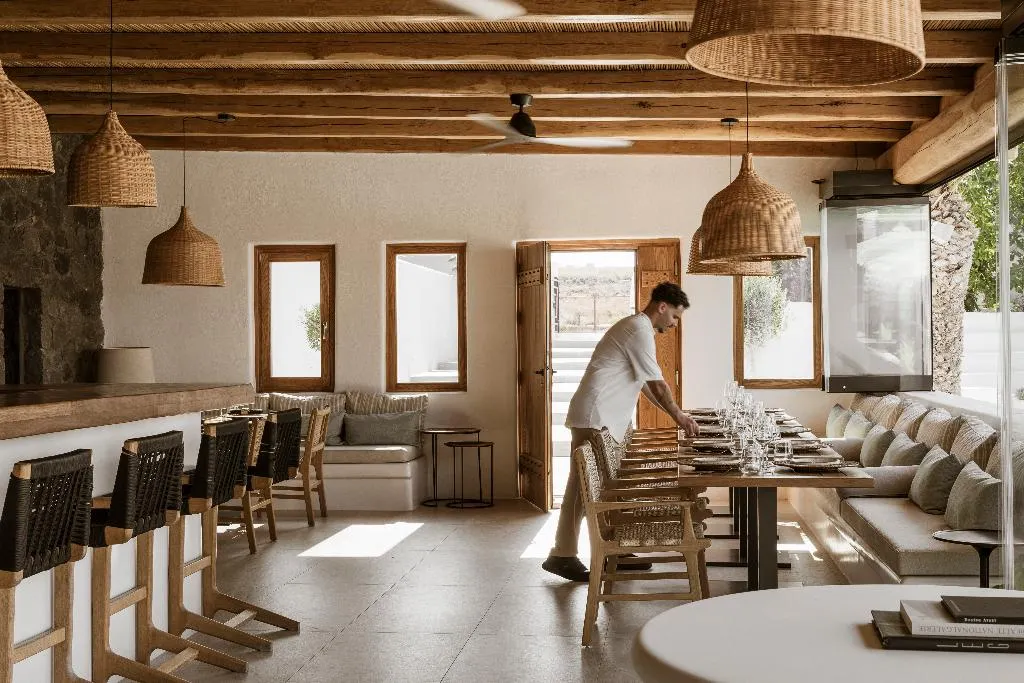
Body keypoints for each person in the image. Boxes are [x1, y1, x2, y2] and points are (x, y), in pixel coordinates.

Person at [542, 281, 698, 582]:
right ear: (662, 307)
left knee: (594, 488)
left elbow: (647, 386)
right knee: (586, 489)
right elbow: (657, 385)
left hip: (601, 417)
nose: (674, 324)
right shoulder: (638, 329)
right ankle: (564, 554)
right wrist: (679, 416)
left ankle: (611, 550)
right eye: (675, 316)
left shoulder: (637, 328)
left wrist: (676, 415)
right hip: (595, 416)